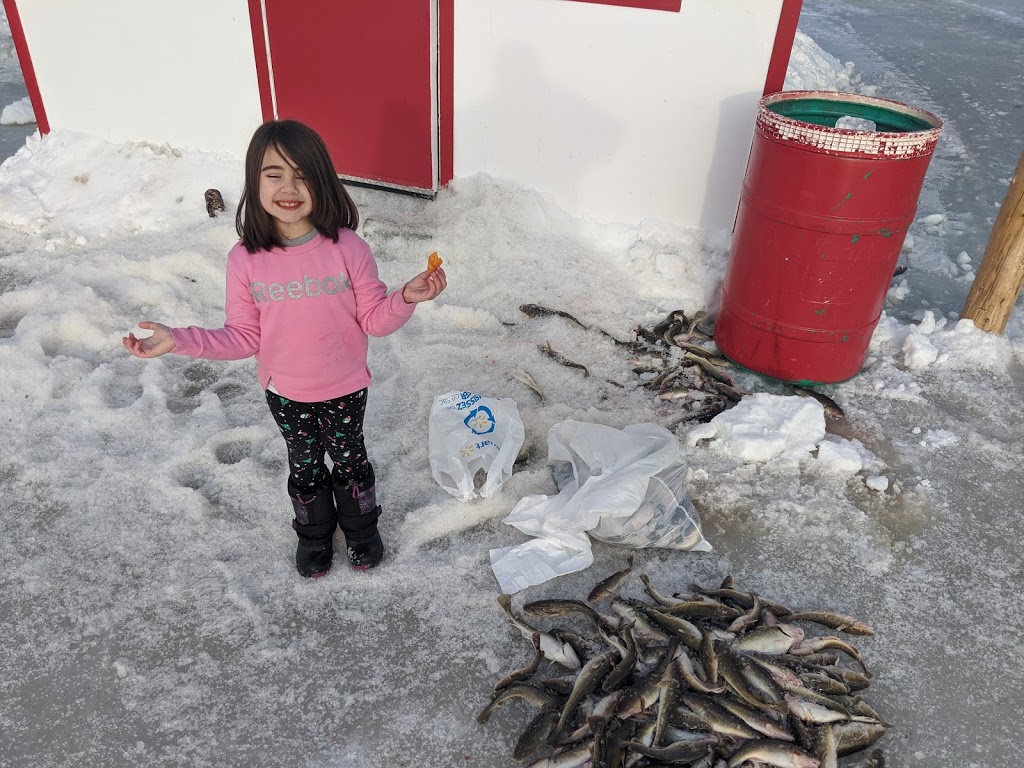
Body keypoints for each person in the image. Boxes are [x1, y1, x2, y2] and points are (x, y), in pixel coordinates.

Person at [123, 119, 447, 578]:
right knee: (305, 463)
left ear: (323, 182)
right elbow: (242, 337)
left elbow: (374, 319)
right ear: (254, 183)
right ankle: (314, 537)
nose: (289, 187)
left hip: (345, 386)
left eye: (303, 175)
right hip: (286, 392)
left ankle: (361, 530)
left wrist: (405, 299)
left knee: (350, 458)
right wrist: (180, 339)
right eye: (274, 174)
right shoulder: (245, 260)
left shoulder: (348, 248)